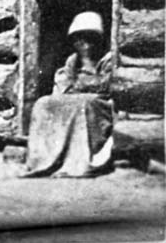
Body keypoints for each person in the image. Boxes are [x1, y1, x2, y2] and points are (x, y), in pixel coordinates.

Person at [22, 11, 115, 178]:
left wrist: (85, 75)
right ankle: (42, 160)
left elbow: (106, 87)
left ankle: (79, 162)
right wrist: (79, 82)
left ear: (99, 39)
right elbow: (63, 86)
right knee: (43, 103)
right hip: (77, 100)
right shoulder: (71, 63)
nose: (84, 44)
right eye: (79, 39)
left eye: (90, 38)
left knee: (85, 104)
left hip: (100, 105)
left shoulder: (108, 60)